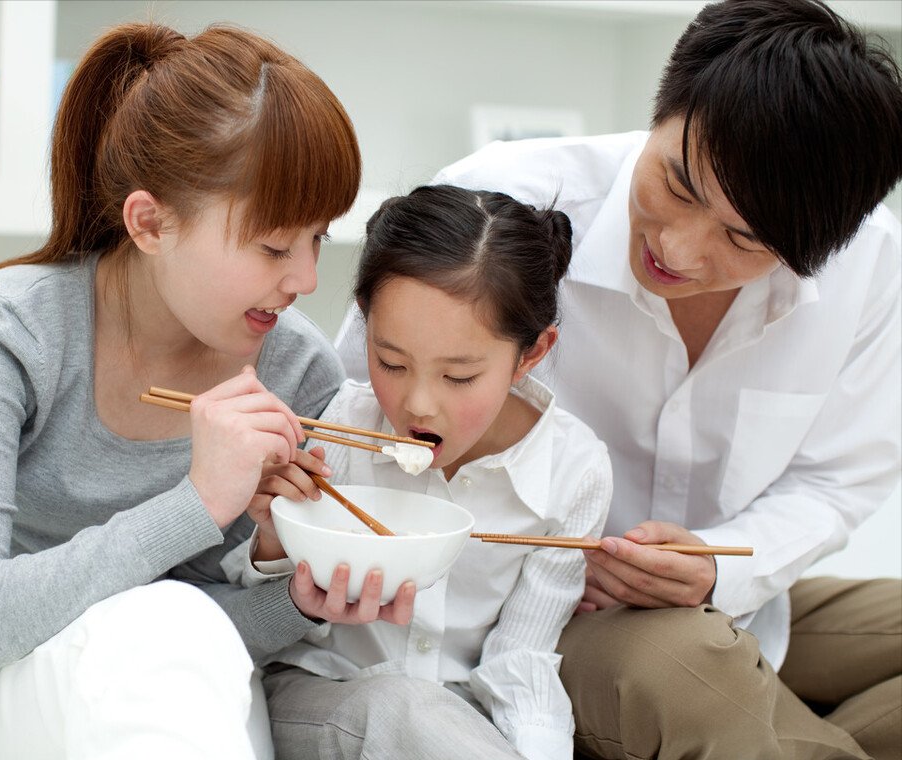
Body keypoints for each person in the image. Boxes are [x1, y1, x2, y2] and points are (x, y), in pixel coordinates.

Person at [334, 1, 902, 758]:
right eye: (677, 183)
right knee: (692, 670)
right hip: (532, 617)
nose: (680, 248)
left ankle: (756, 728)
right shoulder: (503, 211)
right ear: (661, 110)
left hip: (729, 612)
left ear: (820, 243)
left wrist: (716, 571)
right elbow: (361, 406)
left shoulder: (870, 266)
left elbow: (835, 482)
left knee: (718, 663)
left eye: (742, 238)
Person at [0, 22, 412, 760]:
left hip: (160, 691)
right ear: (149, 223)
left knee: (173, 630)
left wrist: (295, 597)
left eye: (318, 240)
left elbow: (212, 637)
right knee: (164, 625)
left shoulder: (296, 373)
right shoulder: (10, 332)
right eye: (273, 245)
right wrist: (196, 504)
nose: (304, 280)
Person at [228, 185, 612, 760]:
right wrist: (274, 535)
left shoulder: (574, 472)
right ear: (365, 324)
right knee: (405, 708)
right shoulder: (340, 427)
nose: (418, 404)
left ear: (531, 354)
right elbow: (253, 607)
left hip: (462, 721)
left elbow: (522, 659)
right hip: (323, 696)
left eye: (459, 377)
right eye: (391, 362)